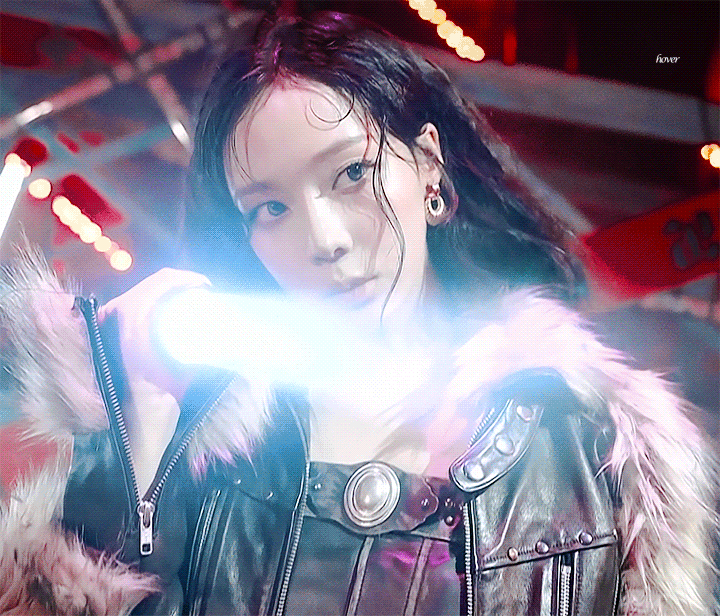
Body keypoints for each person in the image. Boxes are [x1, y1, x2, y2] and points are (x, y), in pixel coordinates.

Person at [0, 11, 716, 616]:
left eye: (352, 173)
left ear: (428, 166)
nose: (325, 240)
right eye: (270, 208)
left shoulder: (603, 454)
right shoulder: (200, 444)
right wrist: (130, 441)